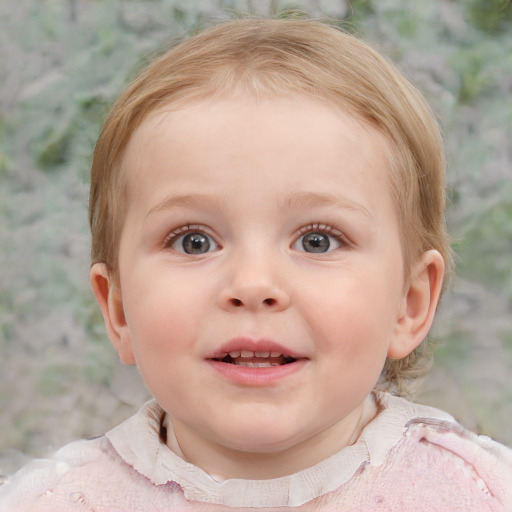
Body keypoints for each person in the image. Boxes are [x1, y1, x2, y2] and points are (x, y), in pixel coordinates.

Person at [1, 17, 511, 511]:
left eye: (317, 241)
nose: (252, 285)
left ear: (410, 304)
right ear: (118, 310)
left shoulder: (481, 495)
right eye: (194, 242)